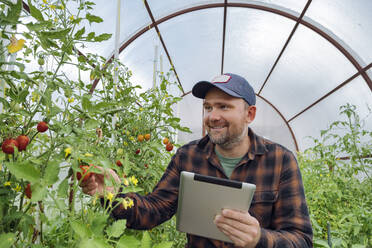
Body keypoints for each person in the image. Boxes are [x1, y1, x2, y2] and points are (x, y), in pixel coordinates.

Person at [81, 73, 313, 247]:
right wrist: (111, 195)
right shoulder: (188, 156)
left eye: (224, 106)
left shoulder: (280, 161)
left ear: (249, 114)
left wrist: (259, 239)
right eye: (208, 107)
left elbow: (301, 240)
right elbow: (153, 210)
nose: (212, 116)